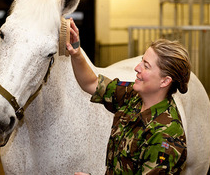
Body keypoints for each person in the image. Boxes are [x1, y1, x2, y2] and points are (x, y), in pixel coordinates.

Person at [67, 18, 191, 175]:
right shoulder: (134, 96)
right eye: (141, 61)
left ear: (165, 81)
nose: (136, 68)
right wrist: (76, 51)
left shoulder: (164, 136)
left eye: (146, 66)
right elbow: (91, 83)